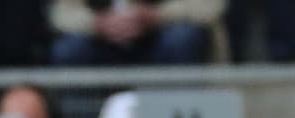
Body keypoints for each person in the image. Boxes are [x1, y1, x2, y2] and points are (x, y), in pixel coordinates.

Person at [50, 0, 223, 66]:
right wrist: (97, 24)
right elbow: (60, 14)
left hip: (162, 39)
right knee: (69, 50)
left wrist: (159, 16)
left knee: (182, 39)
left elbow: (209, 7)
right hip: (103, 44)